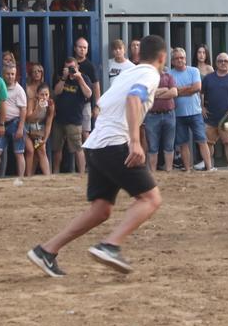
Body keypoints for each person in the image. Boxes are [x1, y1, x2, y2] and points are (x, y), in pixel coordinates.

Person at [27, 35, 168, 277]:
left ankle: (46, 251)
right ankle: (110, 245)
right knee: (151, 199)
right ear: (162, 57)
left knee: (101, 209)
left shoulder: (128, 73)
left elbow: (105, 101)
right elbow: (134, 98)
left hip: (96, 145)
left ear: (138, 55)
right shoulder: (151, 75)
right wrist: (135, 142)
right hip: (115, 143)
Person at [169, 48, 211, 172]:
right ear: (172, 61)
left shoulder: (194, 71)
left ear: (185, 58)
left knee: (202, 140)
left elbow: (197, 88)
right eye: (176, 58)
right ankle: (187, 169)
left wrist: (179, 90)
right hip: (178, 114)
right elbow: (172, 92)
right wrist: (188, 89)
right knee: (183, 143)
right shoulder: (170, 74)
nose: (179, 60)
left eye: (181, 57)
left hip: (195, 112)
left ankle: (209, 168)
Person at [52, 56, 94, 175]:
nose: (70, 70)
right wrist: (64, 78)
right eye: (68, 67)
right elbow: (56, 92)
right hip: (59, 119)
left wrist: (79, 79)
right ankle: (55, 172)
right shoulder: (61, 78)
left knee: (78, 148)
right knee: (57, 149)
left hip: (74, 120)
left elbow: (89, 94)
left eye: (72, 67)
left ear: (77, 67)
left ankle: (81, 173)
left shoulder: (84, 78)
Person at [0, 63, 28, 178]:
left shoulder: (19, 90)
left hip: (15, 123)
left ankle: (20, 177)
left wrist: (20, 128)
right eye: (8, 74)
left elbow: (23, 110)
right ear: (3, 75)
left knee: (19, 153)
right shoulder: (0, 87)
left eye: (12, 74)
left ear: (16, 75)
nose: (10, 76)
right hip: (2, 124)